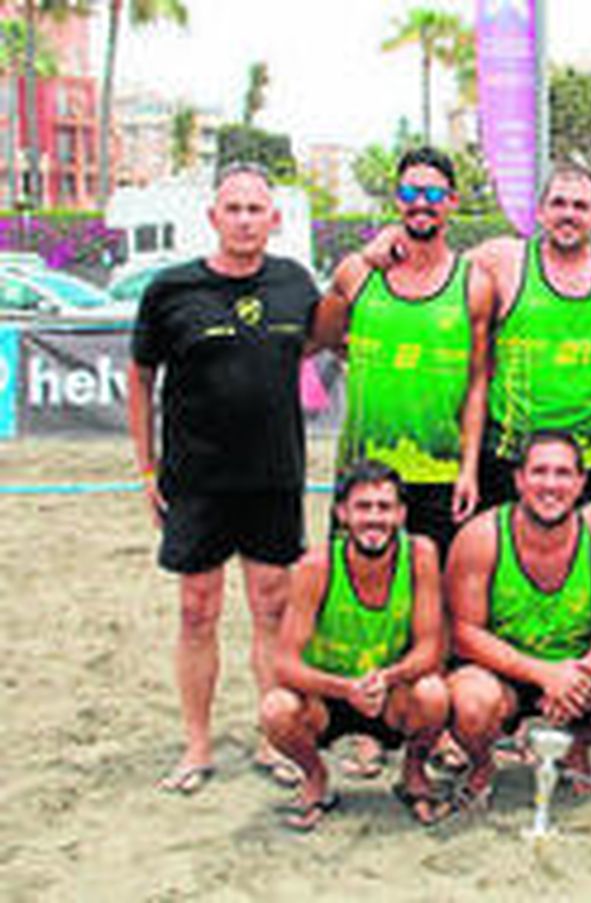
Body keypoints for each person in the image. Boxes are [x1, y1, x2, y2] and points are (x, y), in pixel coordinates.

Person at [127, 161, 322, 794]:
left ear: (275, 219)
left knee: (272, 607)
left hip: (273, 476)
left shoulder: (295, 284)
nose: (243, 220)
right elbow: (140, 377)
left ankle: (273, 739)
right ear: (213, 217)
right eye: (232, 209)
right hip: (196, 480)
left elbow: (329, 339)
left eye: (255, 209)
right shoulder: (170, 290)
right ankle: (197, 745)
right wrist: (146, 466)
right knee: (196, 610)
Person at [445, 430, 591, 805]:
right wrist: (544, 675)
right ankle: (482, 763)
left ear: (581, 483)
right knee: (469, 700)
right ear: (519, 480)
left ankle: (575, 744)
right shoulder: (481, 537)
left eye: (563, 473)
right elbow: (465, 633)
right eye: (539, 472)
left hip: (577, 673)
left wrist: (579, 672)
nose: (550, 485)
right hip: (505, 673)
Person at [313, 145, 493, 555]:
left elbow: (477, 383)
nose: (421, 204)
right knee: (358, 587)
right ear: (397, 200)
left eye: (433, 194)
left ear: (452, 202)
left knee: (438, 588)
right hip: (363, 472)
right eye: (411, 193)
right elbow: (323, 336)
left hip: (439, 473)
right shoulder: (357, 273)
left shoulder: (474, 284)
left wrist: (469, 470)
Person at [259, 461, 452, 830]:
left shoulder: (420, 555)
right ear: (342, 514)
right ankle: (316, 777)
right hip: (329, 695)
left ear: (401, 514)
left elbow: (430, 650)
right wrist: (345, 689)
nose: (374, 518)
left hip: (389, 691)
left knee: (434, 694)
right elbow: (284, 664)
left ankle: (413, 772)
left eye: (384, 507)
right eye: (363, 507)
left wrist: (388, 677)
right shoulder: (317, 566)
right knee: (276, 709)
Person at [470, 164, 591, 511]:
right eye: (558, 204)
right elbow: (438, 275)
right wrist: (388, 247)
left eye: (580, 206)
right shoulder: (504, 259)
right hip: (514, 457)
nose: (568, 214)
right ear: (540, 213)